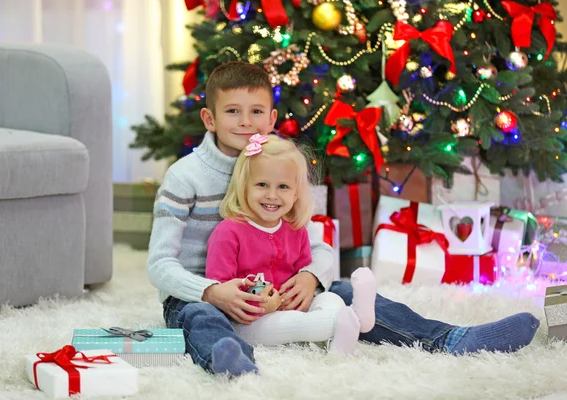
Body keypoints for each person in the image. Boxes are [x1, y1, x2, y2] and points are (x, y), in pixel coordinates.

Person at [148, 61, 540, 377]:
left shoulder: (283, 166)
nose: (245, 122)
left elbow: (312, 241)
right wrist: (210, 292)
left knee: (344, 291)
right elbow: (160, 263)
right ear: (209, 118)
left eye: (255, 112)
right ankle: (232, 361)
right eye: (232, 111)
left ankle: (449, 339)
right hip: (201, 293)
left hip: (276, 287)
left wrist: (309, 277)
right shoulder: (185, 177)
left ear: (271, 118)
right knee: (199, 317)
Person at [205, 133, 377, 354]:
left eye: (283, 187)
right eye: (262, 185)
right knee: (296, 324)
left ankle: (347, 331)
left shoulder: (296, 230)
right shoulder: (228, 232)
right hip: (247, 322)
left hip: (294, 309)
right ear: (244, 186)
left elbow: (303, 274)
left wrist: (307, 288)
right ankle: (351, 321)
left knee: (329, 297)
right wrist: (262, 303)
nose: (272, 195)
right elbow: (221, 288)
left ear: (296, 194)